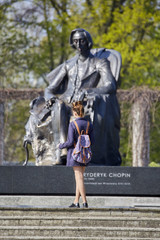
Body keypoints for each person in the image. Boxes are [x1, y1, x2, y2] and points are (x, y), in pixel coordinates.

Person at [59, 101, 94, 208]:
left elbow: (69, 142)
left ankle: (84, 201)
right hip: (85, 154)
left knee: (79, 178)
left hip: (75, 154)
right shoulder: (89, 124)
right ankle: (75, 202)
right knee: (80, 178)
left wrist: (60, 146)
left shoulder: (73, 124)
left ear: (75, 113)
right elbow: (92, 140)